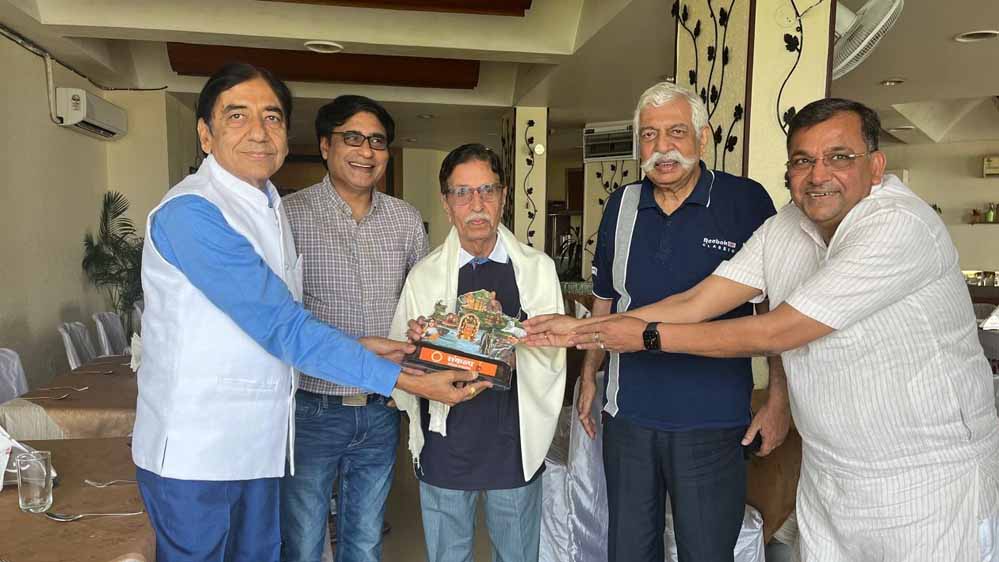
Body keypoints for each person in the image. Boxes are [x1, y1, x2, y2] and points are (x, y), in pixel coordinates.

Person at [526, 97, 999, 562]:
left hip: (927, 478)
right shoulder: (787, 225)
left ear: (875, 166)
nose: (818, 175)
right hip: (830, 471)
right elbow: (698, 301)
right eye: (803, 161)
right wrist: (582, 331)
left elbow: (773, 331)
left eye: (839, 157)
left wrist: (646, 336)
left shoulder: (898, 225)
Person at [132, 63, 487, 562]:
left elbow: (274, 325)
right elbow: (283, 326)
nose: (259, 132)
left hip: (260, 444)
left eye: (272, 117)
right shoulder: (192, 213)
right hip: (199, 452)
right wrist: (407, 381)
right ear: (205, 134)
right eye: (237, 115)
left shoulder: (268, 206)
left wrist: (366, 347)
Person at [564, 81, 786, 562]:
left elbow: (772, 313)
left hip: (713, 421)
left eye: (676, 132)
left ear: (703, 138)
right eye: (649, 135)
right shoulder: (621, 205)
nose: (662, 148)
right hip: (628, 417)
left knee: (706, 551)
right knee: (629, 551)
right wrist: (590, 374)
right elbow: (606, 300)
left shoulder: (745, 202)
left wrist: (778, 397)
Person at [390, 143, 566, 562]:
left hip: (513, 439)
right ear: (446, 202)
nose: (476, 204)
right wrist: (421, 346)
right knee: (448, 555)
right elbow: (402, 361)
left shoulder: (537, 269)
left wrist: (508, 343)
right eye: (462, 192)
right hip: (446, 440)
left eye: (487, 190)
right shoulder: (425, 275)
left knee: (517, 554)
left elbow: (553, 354)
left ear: (503, 196)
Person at [280, 95, 429, 562]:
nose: (367, 151)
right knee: (303, 541)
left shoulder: (406, 220)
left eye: (377, 142)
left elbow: (420, 303)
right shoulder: (288, 215)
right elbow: (278, 315)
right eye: (353, 138)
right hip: (311, 406)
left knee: (364, 540)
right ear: (326, 146)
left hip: (381, 406)